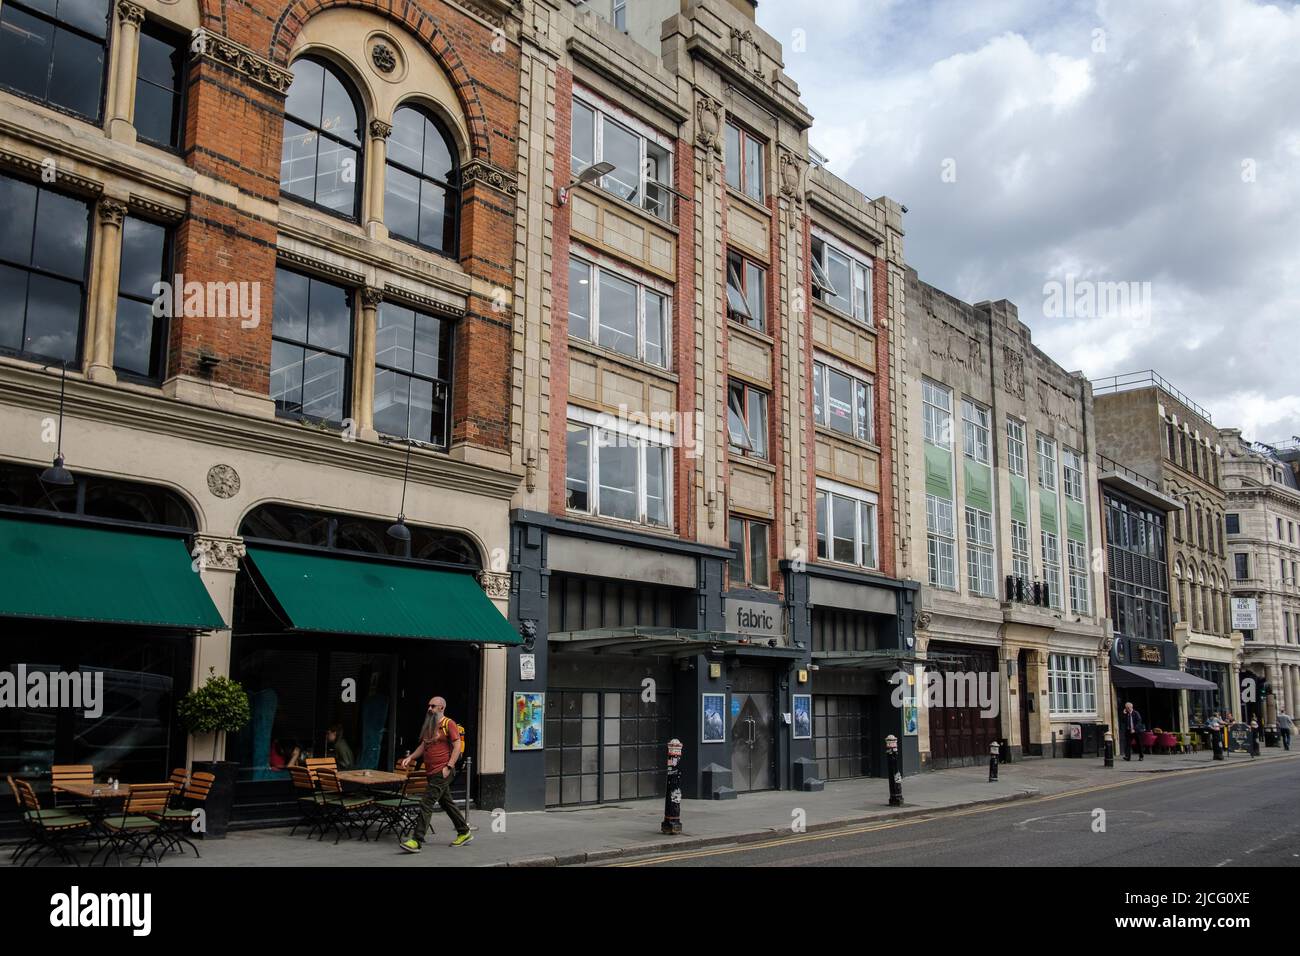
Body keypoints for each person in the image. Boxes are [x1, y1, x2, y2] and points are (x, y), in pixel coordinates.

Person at [399, 696, 472, 852]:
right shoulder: (430, 725)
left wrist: (449, 766)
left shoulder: (448, 724)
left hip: (442, 771)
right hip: (431, 771)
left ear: (441, 708)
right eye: (429, 706)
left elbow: (457, 745)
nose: (429, 708)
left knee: (426, 802)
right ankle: (464, 832)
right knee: (447, 803)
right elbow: (423, 745)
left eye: (433, 706)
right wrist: (411, 757)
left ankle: (416, 840)